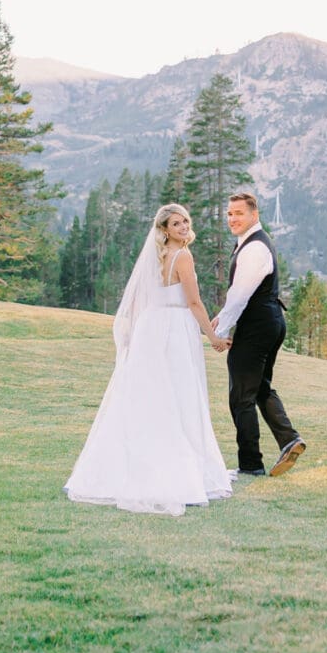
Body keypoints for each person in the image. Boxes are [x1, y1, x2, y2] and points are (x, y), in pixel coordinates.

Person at [64, 204, 233, 517]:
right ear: (165, 229)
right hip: (176, 330)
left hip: (150, 328)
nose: (183, 226)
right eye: (176, 223)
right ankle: (182, 473)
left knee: (148, 398)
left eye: (185, 221)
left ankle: (126, 469)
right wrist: (212, 337)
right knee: (180, 397)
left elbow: (142, 301)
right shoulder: (183, 256)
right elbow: (194, 302)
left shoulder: (155, 257)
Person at [212, 191, 306, 477]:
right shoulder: (251, 243)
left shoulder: (254, 248)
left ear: (254, 215)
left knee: (241, 394)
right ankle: (289, 438)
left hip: (257, 325)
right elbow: (240, 294)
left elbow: (240, 294)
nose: (232, 218)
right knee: (259, 386)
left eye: (239, 213)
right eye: (229, 213)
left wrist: (222, 330)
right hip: (268, 321)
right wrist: (221, 318)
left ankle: (250, 464)